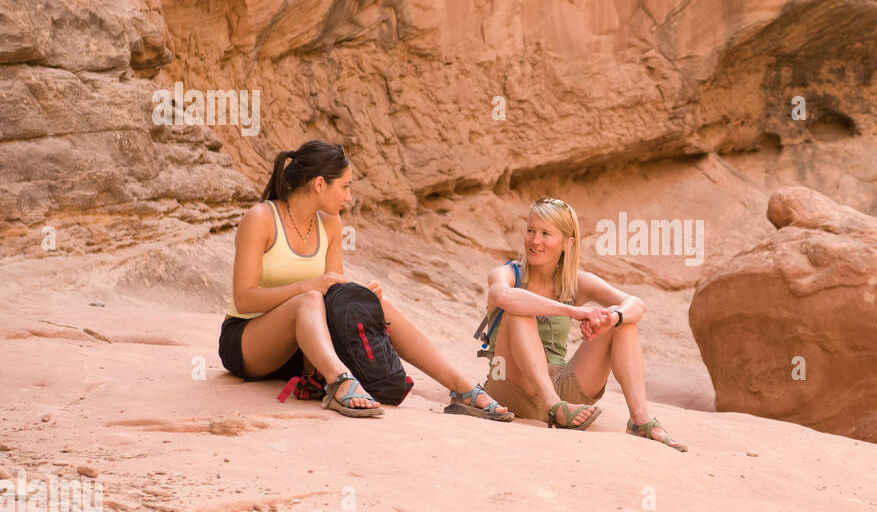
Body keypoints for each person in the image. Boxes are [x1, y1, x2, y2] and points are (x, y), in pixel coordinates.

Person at [219, 140, 513, 421]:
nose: (349, 196)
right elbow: (244, 297)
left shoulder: (330, 223)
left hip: (301, 348)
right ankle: (339, 383)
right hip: (249, 342)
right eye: (345, 187)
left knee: (376, 302)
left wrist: (360, 297)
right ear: (319, 184)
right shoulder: (261, 218)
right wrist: (308, 287)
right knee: (308, 299)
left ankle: (461, 388)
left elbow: (333, 296)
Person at [478, 196, 686, 451]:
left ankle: (640, 420)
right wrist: (573, 312)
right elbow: (502, 296)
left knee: (620, 320)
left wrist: (612, 318)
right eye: (531, 231)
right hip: (510, 385)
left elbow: (636, 304)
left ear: (568, 243)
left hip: (565, 392)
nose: (535, 241)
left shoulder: (578, 281)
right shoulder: (507, 274)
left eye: (546, 234)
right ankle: (553, 405)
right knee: (517, 308)